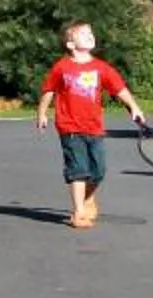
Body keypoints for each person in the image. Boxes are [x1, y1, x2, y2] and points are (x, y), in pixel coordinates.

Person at [36, 20, 143, 229]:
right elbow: (49, 90)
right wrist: (42, 113)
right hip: (70, 128)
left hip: (94, 128)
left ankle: (88, 197)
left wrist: (134, 107)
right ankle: (79, 213)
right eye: (83, 33)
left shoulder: (101, 68)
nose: (90, 35)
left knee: (99, 170)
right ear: (70, 44)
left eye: (90, 33)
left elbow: (119, 88)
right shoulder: (62, 67)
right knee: (78, 169)